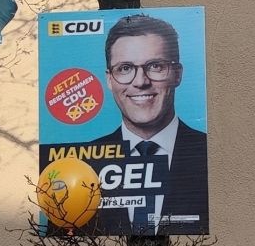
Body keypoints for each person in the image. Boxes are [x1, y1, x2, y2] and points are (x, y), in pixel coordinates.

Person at [88, 13, 209, 234]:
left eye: (155, 66)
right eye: (125, 68)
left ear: (177, 75)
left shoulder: (208, 152)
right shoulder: (84, 164)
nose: (141, 82)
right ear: (109, 80)